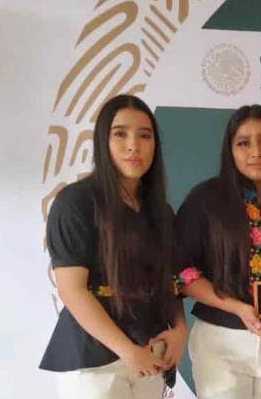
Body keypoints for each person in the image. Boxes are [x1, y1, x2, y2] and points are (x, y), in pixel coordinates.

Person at [39, 95, 186, 399]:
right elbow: (72, 290)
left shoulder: (160, 211)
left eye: (144, 135)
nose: (134, 145)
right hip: (94, 361)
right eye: (120, 134)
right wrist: (126, 351)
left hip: (151, 352)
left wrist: (180, 329)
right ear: (102, 141)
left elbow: (168, 283)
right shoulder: (76, 203)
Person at [173, 104, 261, 399]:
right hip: (220, 339)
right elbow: (182, 273)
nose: (256, 152)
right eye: (243, 143)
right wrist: (236, 308)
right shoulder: (205, 201)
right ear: (230, 150)